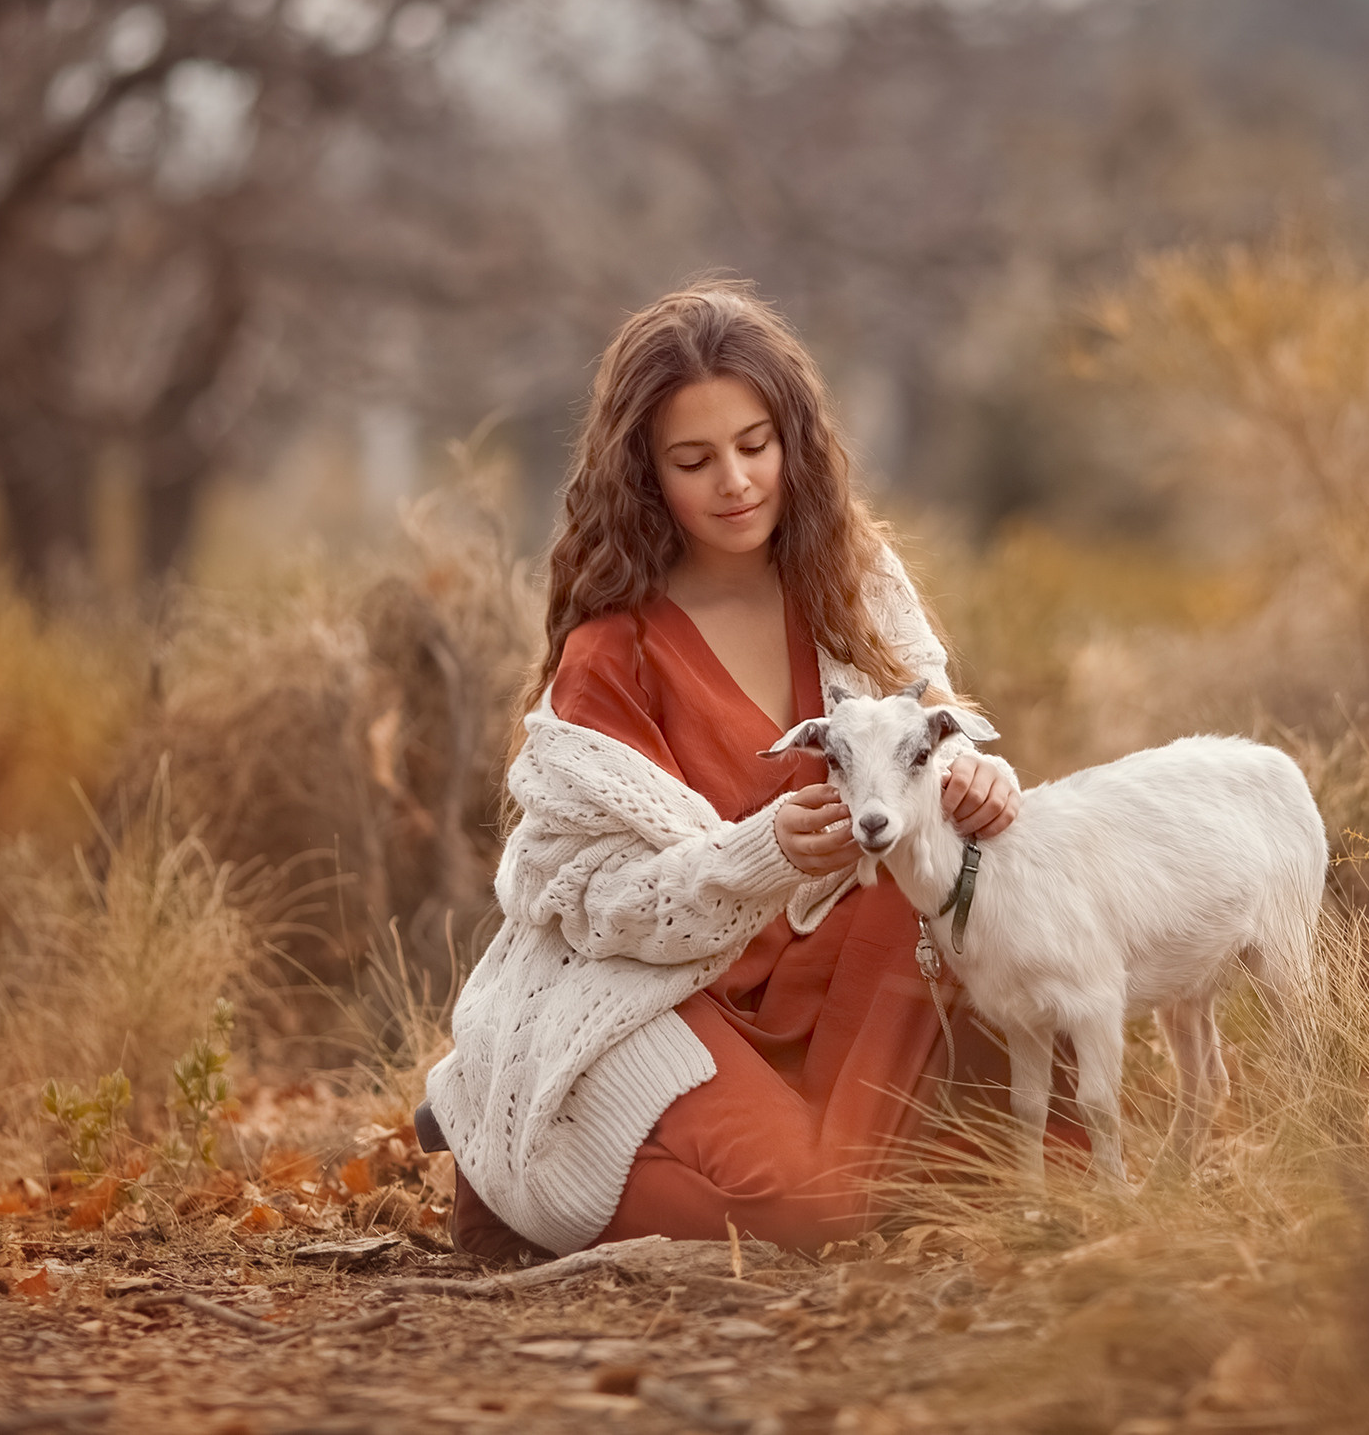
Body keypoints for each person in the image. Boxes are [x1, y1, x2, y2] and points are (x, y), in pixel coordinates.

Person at [424, 282, 1031, 1261]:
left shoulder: (852, 576)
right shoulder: (612, 652)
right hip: (664, 988)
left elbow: (924, 726)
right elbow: (589, 901)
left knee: (1037, 1129)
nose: (738, 481)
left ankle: (836, 1165)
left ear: (792, 438)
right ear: (646, 476)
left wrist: (971, 773)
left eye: (756, 444)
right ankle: (512, 1171)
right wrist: (760, 853)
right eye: (694, 460)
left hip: (831, 973)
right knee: (812, 1218)